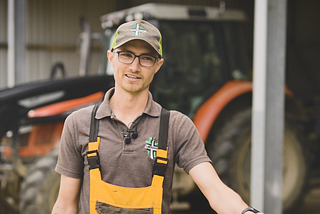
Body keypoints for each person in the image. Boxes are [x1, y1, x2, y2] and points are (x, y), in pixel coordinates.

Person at [51, 20, 263, 214]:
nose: (134, 66)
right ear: (111, 58)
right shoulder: (78, 124)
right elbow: (65, 205)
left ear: (158, 65)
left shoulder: (176, 127)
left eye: (146, 58)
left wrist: (246, 213)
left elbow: (216, 191)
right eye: (126, 54)